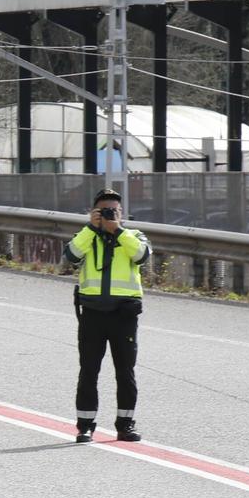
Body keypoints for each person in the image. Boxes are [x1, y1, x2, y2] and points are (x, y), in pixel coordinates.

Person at [65, 187, 150, 443]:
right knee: (88, 371)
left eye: (114, 211)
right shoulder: (86, 235)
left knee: (125, 372)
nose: (110, 215)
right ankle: (85, 426)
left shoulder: (133, 235)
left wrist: (117, 231)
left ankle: (125, 424)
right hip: (93, 314)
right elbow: (71, 255)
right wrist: (92, 228)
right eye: (104, 211)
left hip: (124, 315)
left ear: (122, 213)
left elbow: (142, 256)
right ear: (93, 213)